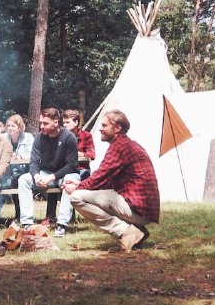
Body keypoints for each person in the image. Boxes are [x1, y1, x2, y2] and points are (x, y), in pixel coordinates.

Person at [62, 109, 159, 252]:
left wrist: (77, 188)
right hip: (145, 210)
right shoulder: (127, 144)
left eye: (104, 125)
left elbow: (99, 177)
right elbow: (105, 181)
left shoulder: (119, 146)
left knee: (77, 198)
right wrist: (80, 184)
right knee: (85, 193)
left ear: (117, 128)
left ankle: (126, 232)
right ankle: (138, 231)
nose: (100, 128)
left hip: (138, 209)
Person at [17, 108, 80, 229]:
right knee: (23, 179)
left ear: (56, 122)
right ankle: (27, 223)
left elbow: (72, 165)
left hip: (65, 175)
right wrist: (36, 176)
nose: (42, 126)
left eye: (45, 123)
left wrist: (52, 177)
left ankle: (62, 224)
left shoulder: (69, 137)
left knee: (69, 181)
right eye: (41, 123)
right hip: (45, 174)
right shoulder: (39, 137)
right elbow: (34, 161)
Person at [51, 109, 96, 235]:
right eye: (63, 122)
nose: (64, 125)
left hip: (81, 171)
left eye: (67, 122)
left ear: (76, 122)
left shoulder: (86, 136)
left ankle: (62, 224)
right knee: (61, 179)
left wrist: (78, 154)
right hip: (65, 170)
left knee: (69, 181)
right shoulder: (60, 136)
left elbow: (92, 155)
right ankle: (52, 217)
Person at [0, 114, 35, 219]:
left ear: (19, 127)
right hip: (7, 171)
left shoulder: (28, 137)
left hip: (22, 170)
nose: (10, 128)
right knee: (3, 184)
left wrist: (19, 156)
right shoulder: (3, 137)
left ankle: (19, 215)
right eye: (8, 126)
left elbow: (32, 154)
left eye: (13, 126)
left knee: (17, 183)